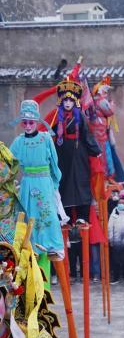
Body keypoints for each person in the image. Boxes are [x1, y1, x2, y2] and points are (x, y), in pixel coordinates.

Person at [8, 100, 63, 258]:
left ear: (36, 122)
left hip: (44, 182)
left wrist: (54, 183)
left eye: (31, 122)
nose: (28, 125)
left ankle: (52, 246)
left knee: (48, 213)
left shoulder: (45, 139)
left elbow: (54, 162)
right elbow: (10, 162)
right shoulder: (19, 142)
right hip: (27, 183)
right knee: (28, 214)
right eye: (24, 122)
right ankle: (31, 248)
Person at [51, 76, 102, 225]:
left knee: (80, 181)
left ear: (75, 102)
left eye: (70, 100)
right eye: (65, 100)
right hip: (62, 152)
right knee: (63, 181)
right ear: (62, 101)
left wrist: (95, 150)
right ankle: (64, 214)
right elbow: (50, 133)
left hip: (78, 152)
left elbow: (87, 134)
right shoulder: (56, 116)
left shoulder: (79, 116)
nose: (67, 103)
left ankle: (82, 215)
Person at [108, 195, 124, 283]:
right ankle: (115, 277)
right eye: (120, 203)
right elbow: (110, 227)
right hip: (116, 241)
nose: (121, 204)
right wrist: (110, 239)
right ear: (117, 204)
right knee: (116, 260)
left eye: (123, 203)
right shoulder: (114, 213)